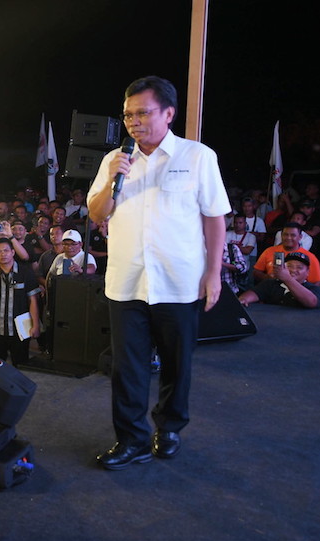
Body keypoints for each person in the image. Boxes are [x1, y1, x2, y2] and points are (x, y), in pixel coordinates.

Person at [87, 76, 231, 470]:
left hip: (179, 282)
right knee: (127, 367)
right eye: (128, 115)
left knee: (175, 363)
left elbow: (215, 220)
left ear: (169, 113)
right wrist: (113, 178)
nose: (133, 121)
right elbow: (98, 213)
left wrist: (213, 274)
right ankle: (130, 439)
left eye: (143, 112)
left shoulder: (197, 157)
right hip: (127, 282)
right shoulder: (113, 160)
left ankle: (168, 428)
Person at [0, 237, 41, 365]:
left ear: (13, 252)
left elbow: (33, 300)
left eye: (6, 250)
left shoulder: (25, 273)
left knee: (21, 365)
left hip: (21, 330)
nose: (3, 254)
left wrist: (36, 325)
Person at [238, 252, 320, 309]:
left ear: (307, 272)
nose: (294, 270)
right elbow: (252, 294)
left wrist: (287, 278)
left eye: (299, 267)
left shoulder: (314, 289)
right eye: (289, 266)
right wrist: (244, 300)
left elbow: (311, 302)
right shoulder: (270, 284)